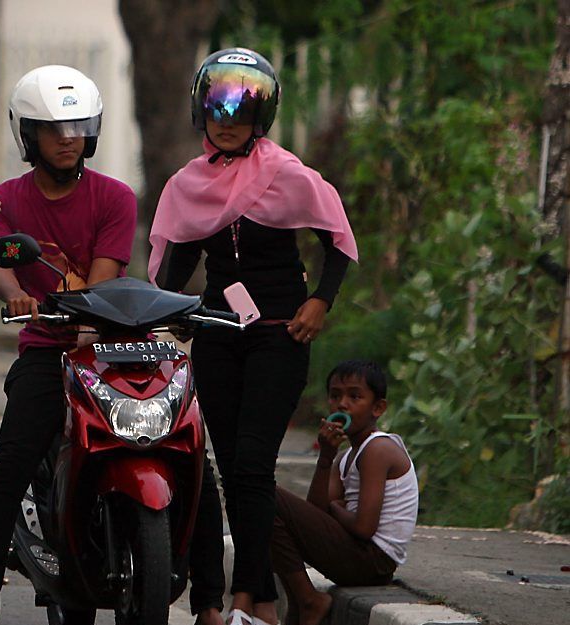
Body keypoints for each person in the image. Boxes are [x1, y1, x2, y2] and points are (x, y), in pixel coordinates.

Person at [0, 64, 226, 625]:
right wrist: (15, 296)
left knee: (189, 449)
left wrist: (75, 293)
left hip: (113, 347)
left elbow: (105, 282)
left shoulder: (114, 196)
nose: (67, 137)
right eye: (53, 127)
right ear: (26, 134)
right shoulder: (4, 202)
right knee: (10, 464)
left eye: (78, 125)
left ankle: (209, 602)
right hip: (45, 347)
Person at [148, 48, 359, 625]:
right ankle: (260, 597)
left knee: (251, 467)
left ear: (262, 115)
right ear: (201, 110)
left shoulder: (288, 173)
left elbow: (338, 241)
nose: (228, 119)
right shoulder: (188, 185)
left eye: (242, 109)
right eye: (217, 107)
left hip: (279, 336)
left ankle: (251, 597)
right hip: (217, 334)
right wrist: (158, 317)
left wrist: (320, 300)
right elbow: (173, 265)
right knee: (227, 465)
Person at [263, 360, 419, 625]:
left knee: (265, 495)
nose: (342, 404)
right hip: (357, 556)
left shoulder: (378, 450)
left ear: (378, 408)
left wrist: (336, 508)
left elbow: (364, 527)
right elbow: (316, 513)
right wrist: (326, 457)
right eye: (335, 396)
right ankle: (301, 602)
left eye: (355, 396)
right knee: (259, 504)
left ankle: (310, 601)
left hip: (373, 561)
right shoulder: (344, 457)